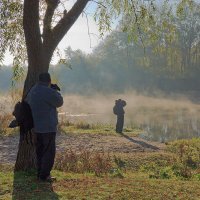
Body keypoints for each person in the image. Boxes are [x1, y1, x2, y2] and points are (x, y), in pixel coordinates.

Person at [27, 72, 63, 181]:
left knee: (40, 151)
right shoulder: (48, 91)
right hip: (47, 127)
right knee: (49, 152)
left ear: (39, 80)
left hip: (36, 127)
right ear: (49, 80)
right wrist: (55, 91)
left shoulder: (33, 90)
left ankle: (40, 174)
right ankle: (45, 176)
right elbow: (59, 102)